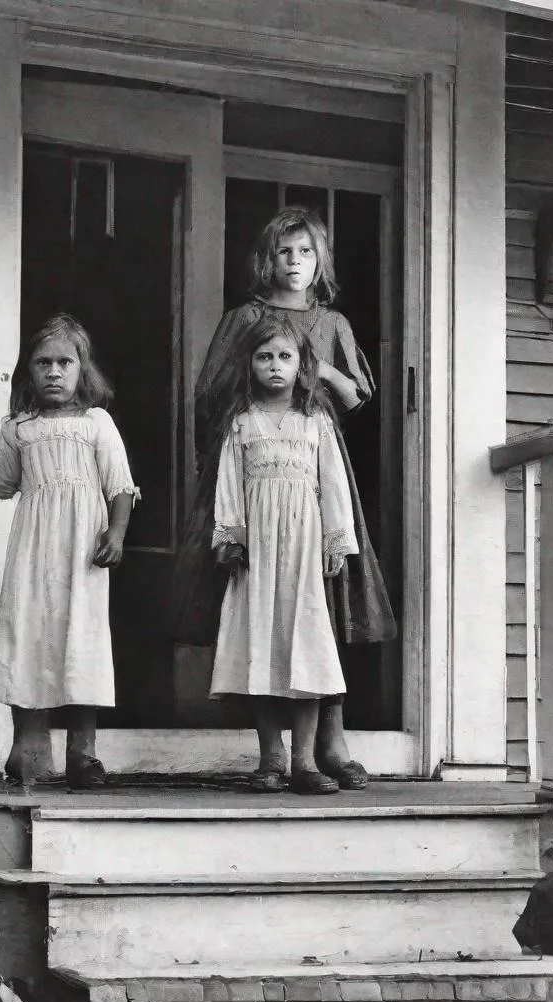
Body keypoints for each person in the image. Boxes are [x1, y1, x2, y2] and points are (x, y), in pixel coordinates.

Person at [171, 206, 395, 791]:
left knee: (325, 605)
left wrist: (317, 375)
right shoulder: (246, 318)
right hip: (251, 467)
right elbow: (212, 391)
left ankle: (330, 743)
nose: (294, 263)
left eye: (305, 253)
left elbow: (356, 396)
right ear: (265, 259)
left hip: (316, 469)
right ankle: (279, 754)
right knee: (264, 609)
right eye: (282, 252)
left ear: (320, 262)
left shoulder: (332, 321)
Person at [0, 314, 138, 788]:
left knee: (81, 641)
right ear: (28, 370)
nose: (53, 372)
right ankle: (28, 748)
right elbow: (3, 484)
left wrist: (117, 534)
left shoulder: (96, 423)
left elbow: (120, 485)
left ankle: (83, 753)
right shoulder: (19, 428)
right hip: (33, 548)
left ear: (81, 368)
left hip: (83, 550)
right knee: (29, 635)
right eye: (42, 362)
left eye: (64, 362)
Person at [208, 311, 358, 794]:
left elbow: (333, 485)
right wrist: (231, 537)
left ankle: (304, 762)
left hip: (303, 550)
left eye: (285, 357)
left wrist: (337, 540)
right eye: (264, 356)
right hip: (258, 554)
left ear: (302, 364)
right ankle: (270, 759)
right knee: (262, 646)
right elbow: (228, 486)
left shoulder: (315, 421)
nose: (275, 365)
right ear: (249, 364)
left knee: (306, 646)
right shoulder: (242, 424)